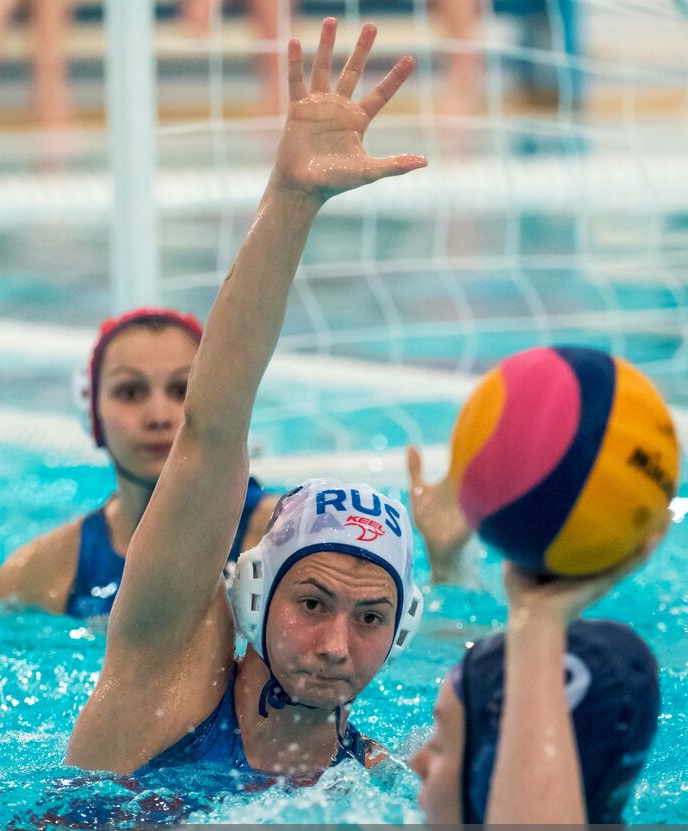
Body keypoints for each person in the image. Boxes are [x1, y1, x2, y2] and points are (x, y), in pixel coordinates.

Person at [65, 19, 427, 783]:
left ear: (402, 632)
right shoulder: (167, 686)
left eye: (369, 619)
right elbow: (213, 429)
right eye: (312, 603)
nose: (334, 646)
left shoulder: (381, 783)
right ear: (255, 592)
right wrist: (292, 201)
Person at [410, 445, 665, 831]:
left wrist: (537, 615)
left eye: (442, 743)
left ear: (493, 771)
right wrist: (448, 570)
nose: (417, 763)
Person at [0, 307, 279, 618]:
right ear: (93, 415)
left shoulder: (281, 538)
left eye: (183, 390)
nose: (159, 416)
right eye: (130, 392)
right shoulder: (40, 573)